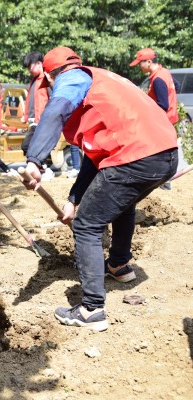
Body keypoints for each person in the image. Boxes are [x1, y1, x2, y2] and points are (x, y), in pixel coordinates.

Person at [23, 47, 178, 332]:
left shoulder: (72, 77)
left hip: (136, 155)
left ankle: (91, 309)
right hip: (164, 154)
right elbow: (95, 159)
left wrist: (34, 159)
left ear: (51, 75)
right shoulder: (103, 80)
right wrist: (73, 199)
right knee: (121, 203)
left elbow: (56, 111)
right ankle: (119, 265)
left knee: (87, 225)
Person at [130, 47, 179, 189]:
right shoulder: (164, 72)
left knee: (157, 151)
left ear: (149, 62)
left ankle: (164, 182)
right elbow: (176, 85)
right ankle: (163, 181)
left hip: (163, 121)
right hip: (169, 119)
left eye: (140, 63)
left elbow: (163, 104)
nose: (139, 66)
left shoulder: (158, 79)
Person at [20, 51, 54, 181]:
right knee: (27, 146)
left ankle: (45, 169)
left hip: (43, 120)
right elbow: (30, 100)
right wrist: (26, 116)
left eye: (30, 67)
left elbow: (53, 98)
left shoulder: (47, 79)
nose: (29, 70)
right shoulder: (34, 81)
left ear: (39, 63)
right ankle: (42, 169)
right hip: (34, 120)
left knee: (29, 146)